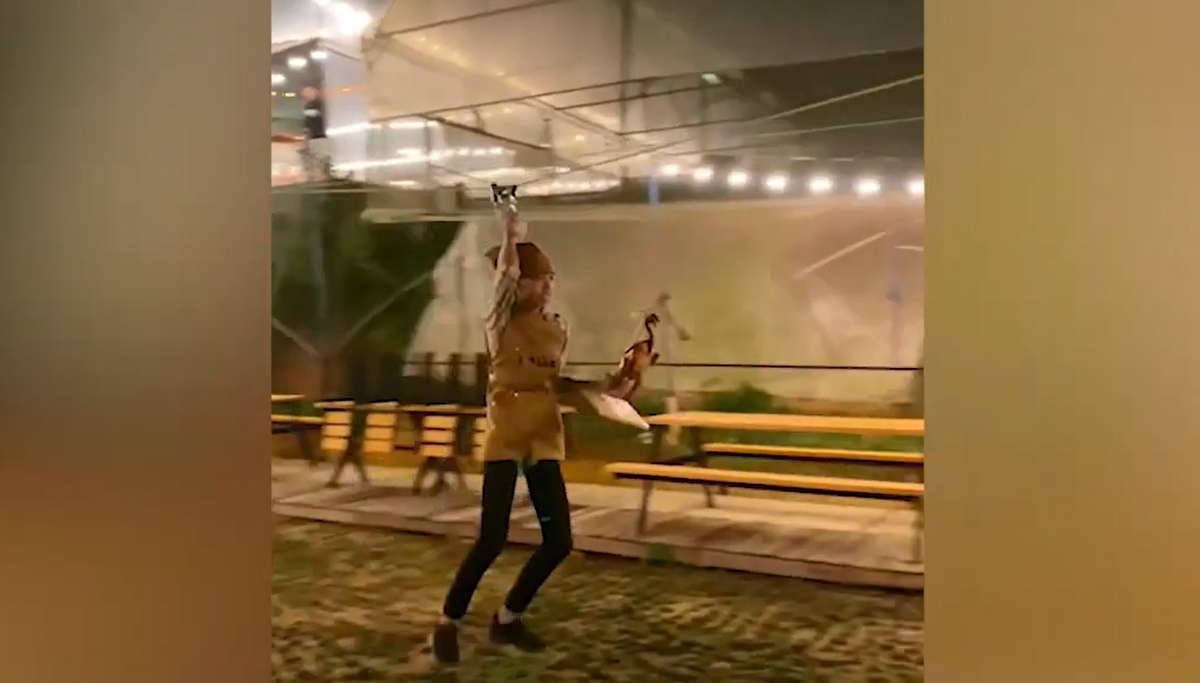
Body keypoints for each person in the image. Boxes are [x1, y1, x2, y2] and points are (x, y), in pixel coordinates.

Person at [428, 203, 629, 664]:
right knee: (491, 539)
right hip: (507, 433)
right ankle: (448, 622)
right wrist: (509, 233)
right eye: (537, 279)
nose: (545, 286)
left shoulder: (555, 329)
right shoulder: (500, 321)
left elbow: (557, 383)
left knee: (559, 542)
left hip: (542, 435)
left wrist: (609, 389)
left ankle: (508, 618)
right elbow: (503, 280)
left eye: (548, 278)